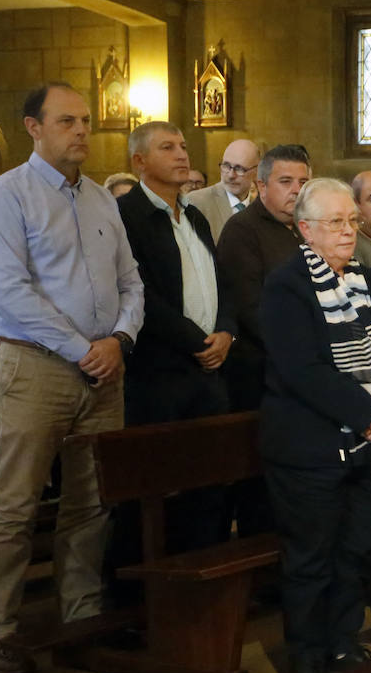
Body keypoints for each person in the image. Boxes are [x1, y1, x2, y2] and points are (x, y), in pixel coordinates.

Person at [0, 82, 144, 673]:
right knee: (15, 504)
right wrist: (83, 349)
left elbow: (132, 283)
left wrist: (119, 339)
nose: (82, 131)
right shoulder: (6, 196)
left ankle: (82, 614)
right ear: (33, 127)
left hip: (103, 369)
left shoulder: (101, 199)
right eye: (67, 120)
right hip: (35, 368)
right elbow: (12, 294)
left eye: (87, 121)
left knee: (91, 501)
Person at [258, 177, 371, 673]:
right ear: (305, 229)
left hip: (369, 445)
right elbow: (303, 370)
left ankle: (344, 645)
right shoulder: (287, 287)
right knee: (311, 556)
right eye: (335, 223)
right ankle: (307, 658)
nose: (348, 231)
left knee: (357, 549)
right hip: (309, 447)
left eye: (351, 221)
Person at [115, 121, 235, 552]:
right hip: (158, 375)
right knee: (153, 489)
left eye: (183, 145)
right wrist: (198, 342)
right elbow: (141, 293)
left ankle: (202, 593)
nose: (182, 154)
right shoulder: (128, 216)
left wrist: (226, 332)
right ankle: (141, 599)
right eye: (168, 147)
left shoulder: (195, 215)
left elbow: (220, 282)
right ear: (139, 161)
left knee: (209, 485)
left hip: (207, 372)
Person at [216, 143, 309, 410]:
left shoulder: (308, 227)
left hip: (304, 364)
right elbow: (249, 308)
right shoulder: (242, 230)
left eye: (303, 182)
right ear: (262, 186)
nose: (296, 190)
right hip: (261, 370)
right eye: (285, 181)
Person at [186, 138, 260, 242]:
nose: (231, 175)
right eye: (226, 166)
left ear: (256, 171)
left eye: (239, 169)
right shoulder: (196, 202)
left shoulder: (262, 207)